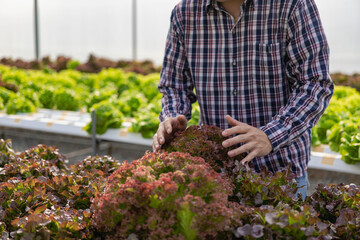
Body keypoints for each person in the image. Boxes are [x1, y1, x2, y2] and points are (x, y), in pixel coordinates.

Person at [152, 0, 334, 199]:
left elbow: (316, 84)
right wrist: (173, 116)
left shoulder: (291, 5)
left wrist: (270, 136)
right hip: (216, 176)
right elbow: (174, 85)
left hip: (280, 175)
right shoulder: (184, 13)